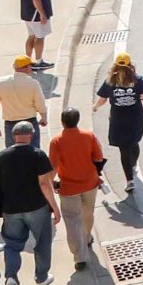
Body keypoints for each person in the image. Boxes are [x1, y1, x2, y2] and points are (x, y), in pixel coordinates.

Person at [0, 117, 57, 285]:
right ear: (31, 135)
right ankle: (41, 277)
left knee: (12, 245)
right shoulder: (38, 154)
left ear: (14, 136)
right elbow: (45, 184)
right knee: (42, 242)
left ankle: (11, 277)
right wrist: (55, 208)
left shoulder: (2, 156)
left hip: (11, 210)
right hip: (37, 208)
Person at [48, 107, 105, 271]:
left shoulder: (56, 141)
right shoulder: (89, 136)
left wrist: (51, 184)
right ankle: (87, 237)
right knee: (88, 212)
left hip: (69, 187)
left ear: (62, 121)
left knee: (72, 220)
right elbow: (98, 157)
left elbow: (53, 166)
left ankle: (80, 257)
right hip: (90, 183)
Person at [95, 54, 143, 195]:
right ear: (130, 65)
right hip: (136, 119)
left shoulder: (110, 81)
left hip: (118, 121)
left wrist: (95, 107)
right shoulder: (139, 80)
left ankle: (129, 180)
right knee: (133, 144)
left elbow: (103, 99)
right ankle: (133, 165)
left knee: (124, 149)